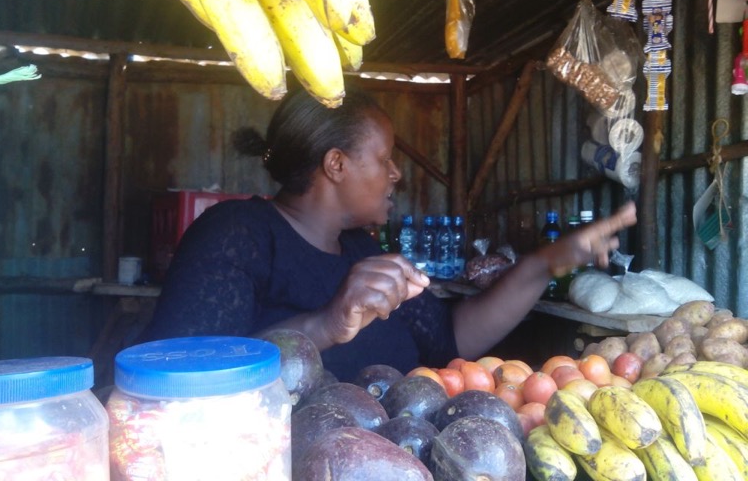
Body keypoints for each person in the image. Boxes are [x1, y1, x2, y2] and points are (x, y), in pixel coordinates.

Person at [140, 89, 637, 382]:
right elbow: (177, 372)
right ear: (336, 165)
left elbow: (452, 340)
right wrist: (326, 324)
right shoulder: (237, 235)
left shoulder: (363, 248)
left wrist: (544, 263)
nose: (396, 174)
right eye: (383, 159)